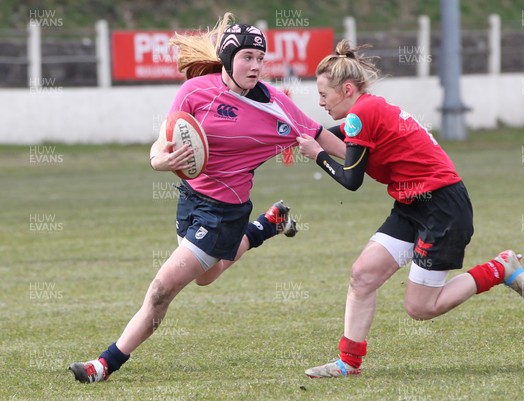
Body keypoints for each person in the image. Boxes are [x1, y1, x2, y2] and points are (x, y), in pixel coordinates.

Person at [68, 13, 345, 383]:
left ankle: (102, 365)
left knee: (161, 290)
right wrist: (159, 161)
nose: (257, 66)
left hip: (224, 212)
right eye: (248, 57)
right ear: (229, 59)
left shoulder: (275, 105)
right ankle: (268, 224)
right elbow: (163, 139)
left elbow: (322, 138)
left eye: (261, 59)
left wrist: (374, 156)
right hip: (190, 198)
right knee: (206, 277)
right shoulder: (196, 91)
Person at [296, 40, 524, 378]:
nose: (320, 102)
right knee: (363, 275)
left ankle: (499, 268)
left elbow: (352, 179)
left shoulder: (363, 113)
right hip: (412, 204)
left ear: (347, 89)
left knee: (421, 308)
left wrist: (316, 154)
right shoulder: (365, 111)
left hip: (442, 208)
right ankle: (348, 363)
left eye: (324, 94)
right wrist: (292, 133)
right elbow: (326, 136)